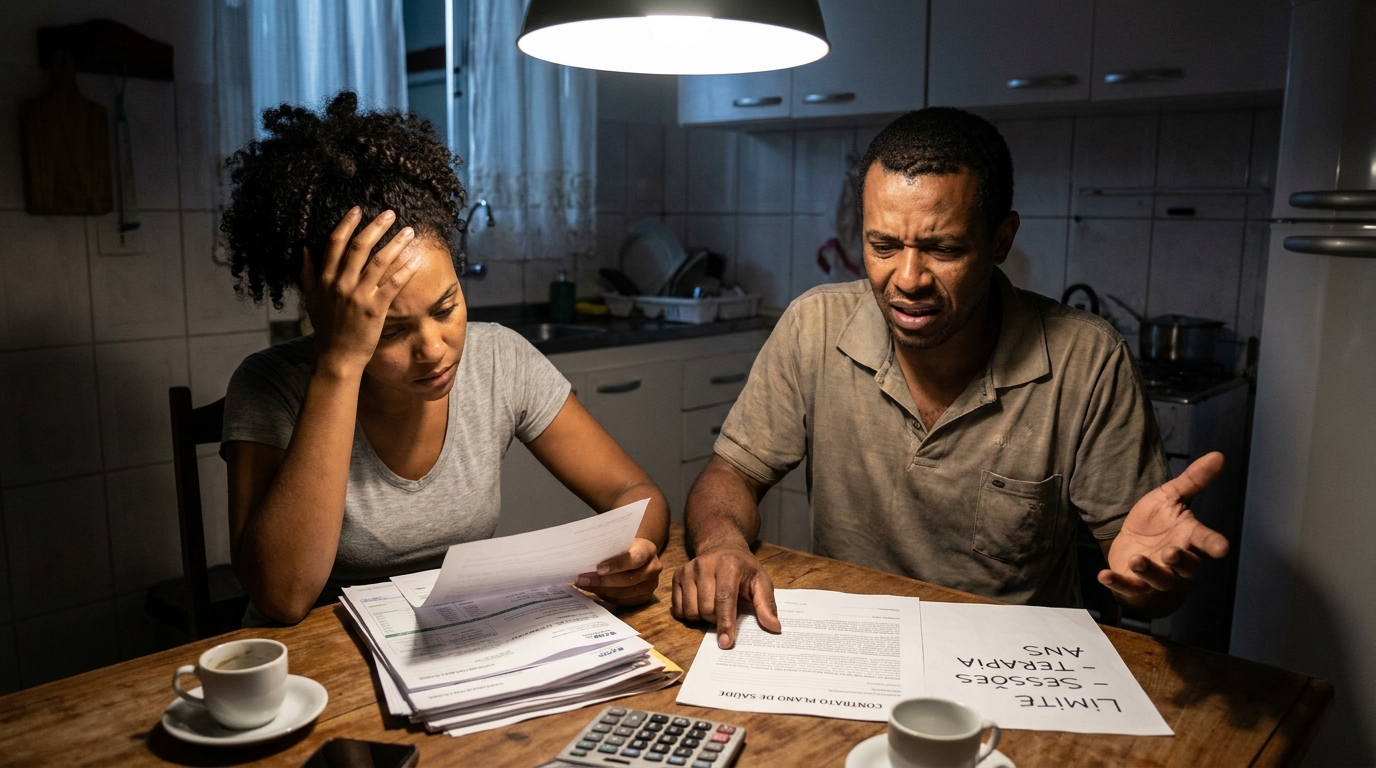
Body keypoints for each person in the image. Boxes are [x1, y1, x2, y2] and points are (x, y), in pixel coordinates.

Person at [671, 108, 1230, 648]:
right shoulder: (813, 326)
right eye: (882, 245)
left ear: (1001, 241)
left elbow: (1147, 588)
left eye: (943, 248)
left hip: (1010, 664)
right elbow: (731, 476)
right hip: (854, 651)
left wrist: (1158, 581)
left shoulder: (1086, 358)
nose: (907, 279)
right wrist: (722, 545)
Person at [220, 92, 667, 625]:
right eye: (391, 331)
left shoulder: (500, 359)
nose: (434, 348)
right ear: (331, 313)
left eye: (447, 306)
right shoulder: (270, 385)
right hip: (317, 668)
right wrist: (339, 365)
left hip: (451, 643)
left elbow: (635, 494)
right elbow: (282, 596)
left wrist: (635, 552)